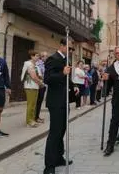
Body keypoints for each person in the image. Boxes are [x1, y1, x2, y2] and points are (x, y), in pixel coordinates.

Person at [43, 39, 77, 174]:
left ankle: (58, 158)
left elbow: (66, 78)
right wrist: (62, 73)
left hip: (64, 100)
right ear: (62, 46)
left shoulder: (65, 60)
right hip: (55, 101)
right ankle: (49, 166)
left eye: (72, 49)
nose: (71, 51)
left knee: (62, 130)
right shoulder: (53, 58)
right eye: (69, 48)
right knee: (55, 132)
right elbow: (48, 78)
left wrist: (73, 86)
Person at [21, 50, 44, 127]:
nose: (38, 57)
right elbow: (33, 77)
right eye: (36, 56)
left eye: (38, 56)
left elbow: (40, 76)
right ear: (32, 56)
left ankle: (33, 119)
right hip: (30, 86)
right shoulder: (28, 64)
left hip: (36, 86)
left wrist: (40, 81)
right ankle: (29, 121)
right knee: (31, 104)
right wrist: (41, 84)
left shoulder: (36, 65)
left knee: (34, 104)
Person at [35, 51, 48, 123]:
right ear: (42, 57)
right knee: (37, 101)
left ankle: (37, 116)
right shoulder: (38, 63)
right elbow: (39, 74)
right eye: (45, 56)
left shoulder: (44, 64)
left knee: (40, 101)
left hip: (43, 84)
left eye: (46, 56)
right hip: (39, 84)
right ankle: (35, 117)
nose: (46, 58)